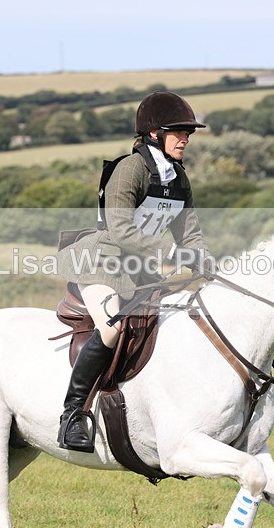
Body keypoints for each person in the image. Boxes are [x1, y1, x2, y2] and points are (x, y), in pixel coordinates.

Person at [54, 90, 212, 452]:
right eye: (178, 131)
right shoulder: (130, 168)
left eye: (189, 132)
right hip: (101, 261)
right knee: (112, 329)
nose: (186, 138)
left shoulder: (177, 179)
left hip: (141, 268)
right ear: (154, 133)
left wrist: (206, 260)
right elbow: (122, 228)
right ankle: (73, 414)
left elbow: (191, 233)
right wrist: (174, 253)